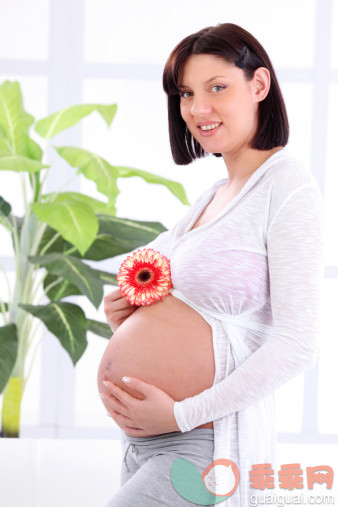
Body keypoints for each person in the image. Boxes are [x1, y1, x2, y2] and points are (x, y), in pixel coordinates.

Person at [101, 22, 325, 506]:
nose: (197, 109)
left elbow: (298, 344)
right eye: (185, 94)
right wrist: (127, 317)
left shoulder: (288, 187)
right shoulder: (211, 197)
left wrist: (181, 415)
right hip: (145, 445)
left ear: (259, 85)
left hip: (203, 444)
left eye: (217, 88)